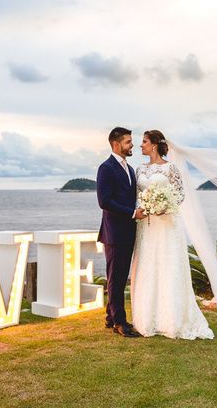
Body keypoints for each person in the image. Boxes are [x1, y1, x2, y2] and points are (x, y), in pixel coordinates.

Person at [130, 130, 214, 339]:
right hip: (147, 226)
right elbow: (137, 195)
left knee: (168, 266)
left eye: (144, 142)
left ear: (155, 145)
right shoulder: (139, 169)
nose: (141, 146)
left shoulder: (171, 168)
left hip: (167, 223)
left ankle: (172, 320)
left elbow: (180, 194)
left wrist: (165, 206)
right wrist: (145, 207)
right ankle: (146, 318)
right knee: (148, 266)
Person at [96, 127, 145, 338]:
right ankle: (120, 323)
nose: (132, 145)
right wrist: (133, 213)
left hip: (128, 231)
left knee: (119, 276)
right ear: (116, 144)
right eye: (128, 142)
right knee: (116, 278)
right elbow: (104, 201)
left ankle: (110, 317)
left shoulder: (130, 169)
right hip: (114, 233)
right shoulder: (105, 168)